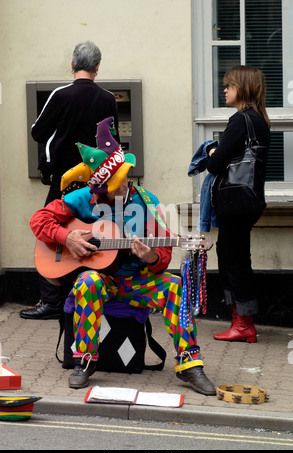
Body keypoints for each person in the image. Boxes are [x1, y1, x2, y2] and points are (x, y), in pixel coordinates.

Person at [28, 116, 216, 395]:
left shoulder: (148, 202)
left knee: (175, 287)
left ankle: (190, 365)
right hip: (100, 280)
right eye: (115, 184)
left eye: (124, 178)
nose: (123, 185)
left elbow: (162, 256)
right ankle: (85, 362)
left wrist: (151, 257)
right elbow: (39, 220)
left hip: (135, 282)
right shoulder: (82, 198)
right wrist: (66, 237)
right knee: (88, 282)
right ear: (99, 188)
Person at [20, 40, 120, 320]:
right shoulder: (108, 98)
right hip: (96, 184)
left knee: (50, 234)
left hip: (64, 183)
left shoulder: (60, 95)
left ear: (73, 65)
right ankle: (86, 295)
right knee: (92, 236)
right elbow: (114, 144)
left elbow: (38, 132)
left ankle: (52, 301)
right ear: (97, 67)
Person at [206, 65, 271, 342]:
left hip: (235, 202)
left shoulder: (241, 120)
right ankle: (240, 320)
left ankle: (243, 323)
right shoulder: (259, 120)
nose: (225, 89)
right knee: (234, 256)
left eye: (229, 85)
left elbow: (215, 164)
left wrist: (211, 151)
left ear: (242, 89)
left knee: (234, 260)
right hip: (248, 201)